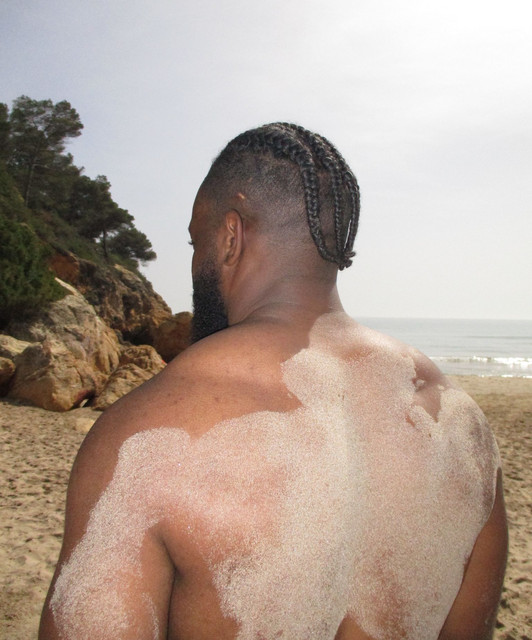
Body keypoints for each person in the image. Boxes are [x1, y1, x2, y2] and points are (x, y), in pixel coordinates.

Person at [39, 123, 507, 640]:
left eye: (196, 242)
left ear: (230, 236)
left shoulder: (142, 440)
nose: (194, 262)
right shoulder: (463, 429)